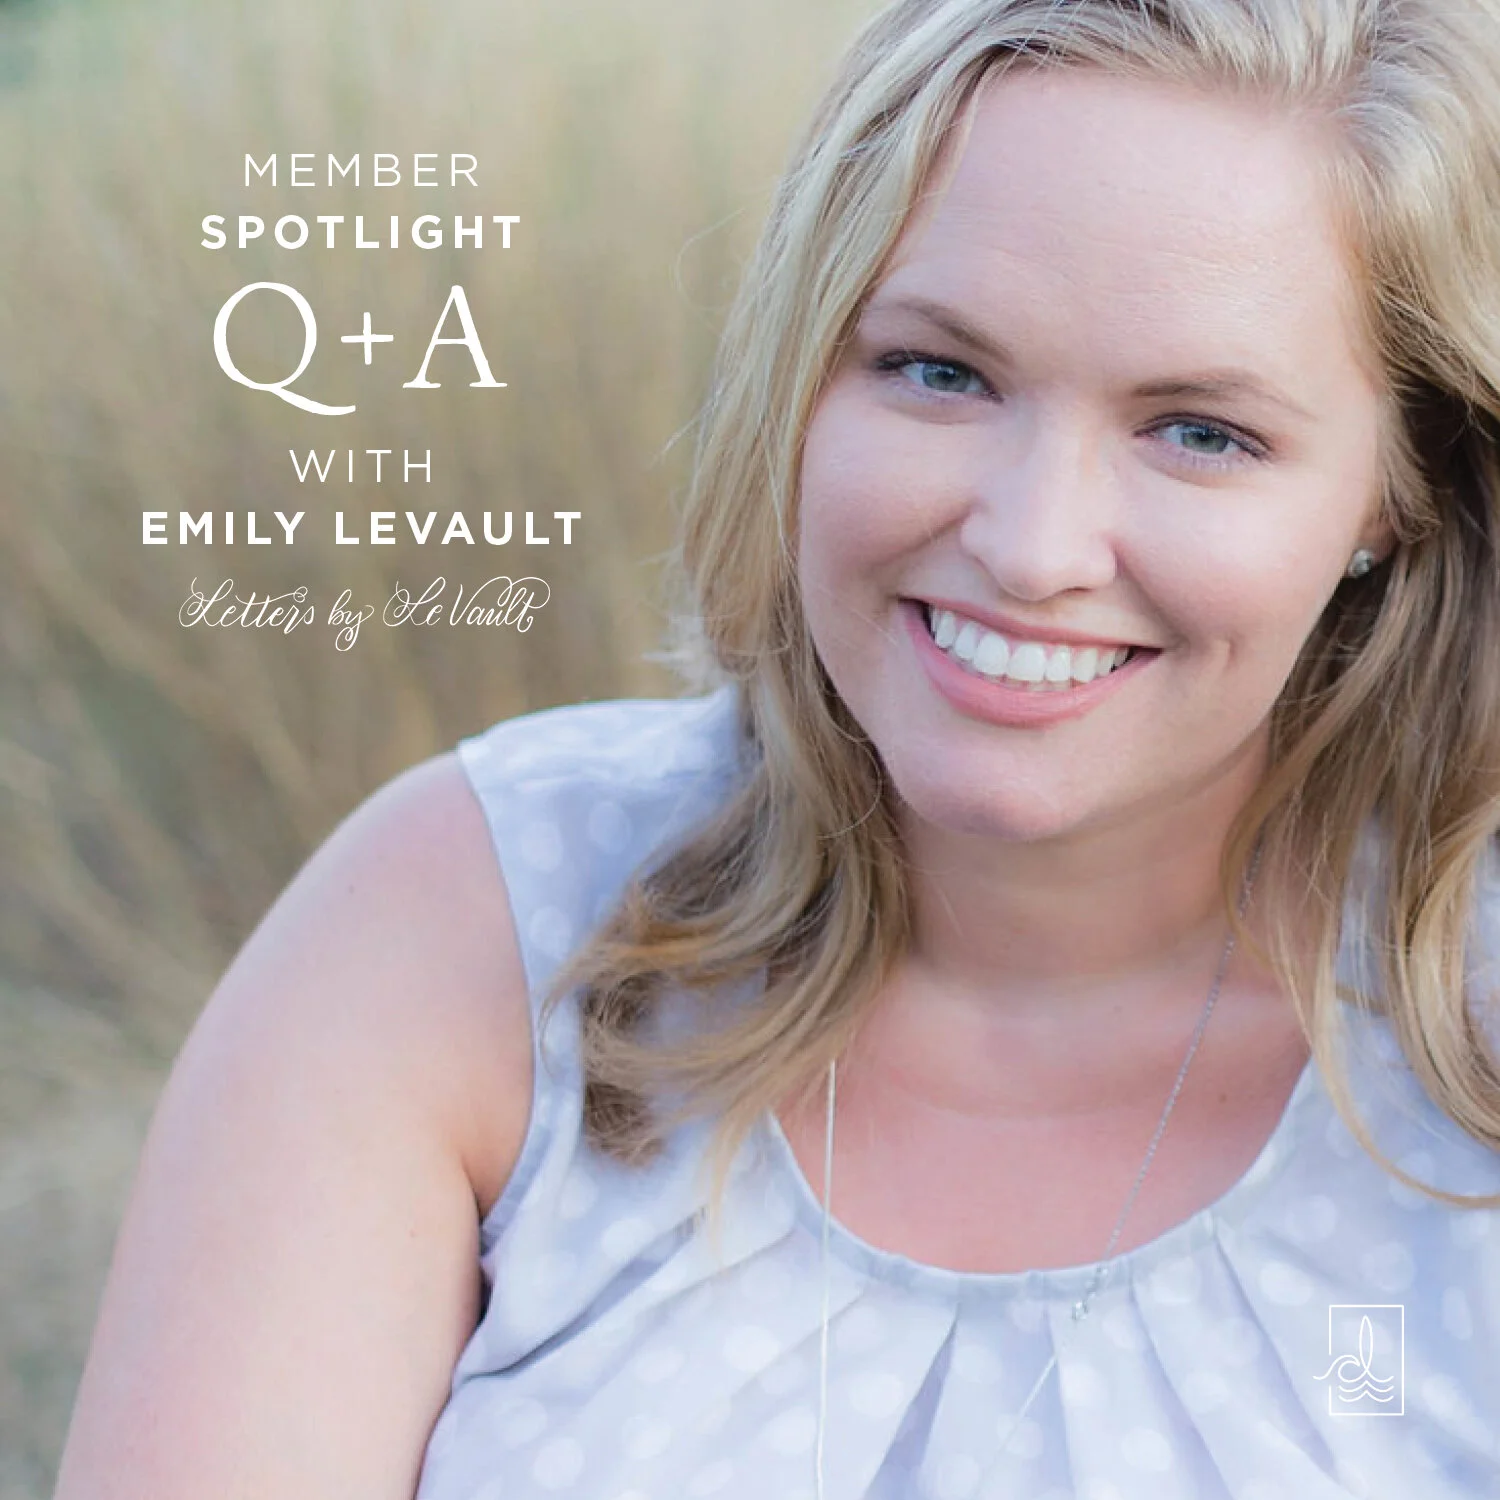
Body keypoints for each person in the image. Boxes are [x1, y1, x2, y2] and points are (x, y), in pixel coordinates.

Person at [53, 0, 1500, 1496]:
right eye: (941, 371)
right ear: (800, 378)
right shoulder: (470, 923)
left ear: (1398, 494)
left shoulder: (1471, 1055)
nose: (1032, 545)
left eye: (1200, 431)